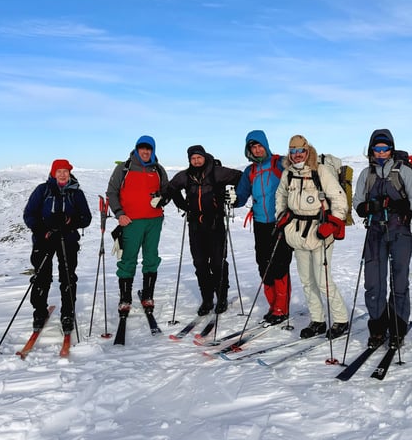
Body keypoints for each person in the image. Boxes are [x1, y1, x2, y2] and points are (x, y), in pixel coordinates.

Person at [275, 135, 350, 339]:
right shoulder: (288, 173)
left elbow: (339, 198)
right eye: (293, 151)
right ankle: (317, 320)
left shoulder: (320, 171)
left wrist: (333, 223)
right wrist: (281, 217)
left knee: (323, 280)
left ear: (307, 151)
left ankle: (341, 319)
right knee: (307, 281)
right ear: (289, 154)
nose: (297, 155)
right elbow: (281, 197)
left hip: (320, 231)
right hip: (297, 232)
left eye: (300, 151)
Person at [354, 129, 412, 349]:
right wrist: (366, 207)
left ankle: (398, 327)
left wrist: (401, 205)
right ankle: (378, 327)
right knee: (373, 283)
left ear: (391, 149)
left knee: (399, 281)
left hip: (399, 232)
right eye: (377, 148)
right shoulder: (367, 174)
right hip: (374, 233)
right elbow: (357, 202)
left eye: (385, 149)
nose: (381, 152)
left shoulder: (403, 171)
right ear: (371, 150)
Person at [166, 145, 242, 315]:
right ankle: (207, 300)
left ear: (204, 156)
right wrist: (183, 205)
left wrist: (231, 194)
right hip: (195, 224)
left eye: (199, 157)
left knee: (217, 262)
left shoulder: (216, 171)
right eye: (193, 158)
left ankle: (221, 298)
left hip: (215, 223)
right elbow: (171, 188)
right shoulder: (186, 175)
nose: (196, 160)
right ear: (189, 160)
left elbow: (240, 177)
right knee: (200, 264)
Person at [22, 159, 92, 335]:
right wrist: (42, 229)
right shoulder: (42, 190)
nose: (62, 174)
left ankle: (67, 314)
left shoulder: (76, 193)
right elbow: (29, 214)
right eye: (59, 171)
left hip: (67, 239)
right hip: (44, 239)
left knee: (68, 277)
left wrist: (70, 222)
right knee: (41, 276)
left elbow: (86, 218)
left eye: (65, 171)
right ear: (53, 173)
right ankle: (39, 312)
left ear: (70, 173)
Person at [106, 136, 170, 318]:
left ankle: (148, 295)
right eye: (142, 148)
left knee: (151, 257)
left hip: (153, 221)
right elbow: (112, 192)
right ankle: (125, 298)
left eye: (148, 149)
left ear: (153, 150)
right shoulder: (123, 168)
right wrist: (119, 214)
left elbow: (167, 191)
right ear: (136, 149)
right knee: (128, 259)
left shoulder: (158, 169)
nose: (145, 152)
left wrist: (163, 199)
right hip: (130, 222)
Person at [233, 130, 294, 325]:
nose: (257, 150)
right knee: (263, 264)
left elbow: (301, 168)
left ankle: (281, 308)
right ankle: (273, 304)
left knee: (280, 264)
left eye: (260, 146)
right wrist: (233, 200)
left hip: (281, 222)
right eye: (253, 147)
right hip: (260, 223)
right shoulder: (249, 172)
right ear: (249, 150)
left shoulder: (279, 163)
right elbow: (241, 196)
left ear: (266, 145)